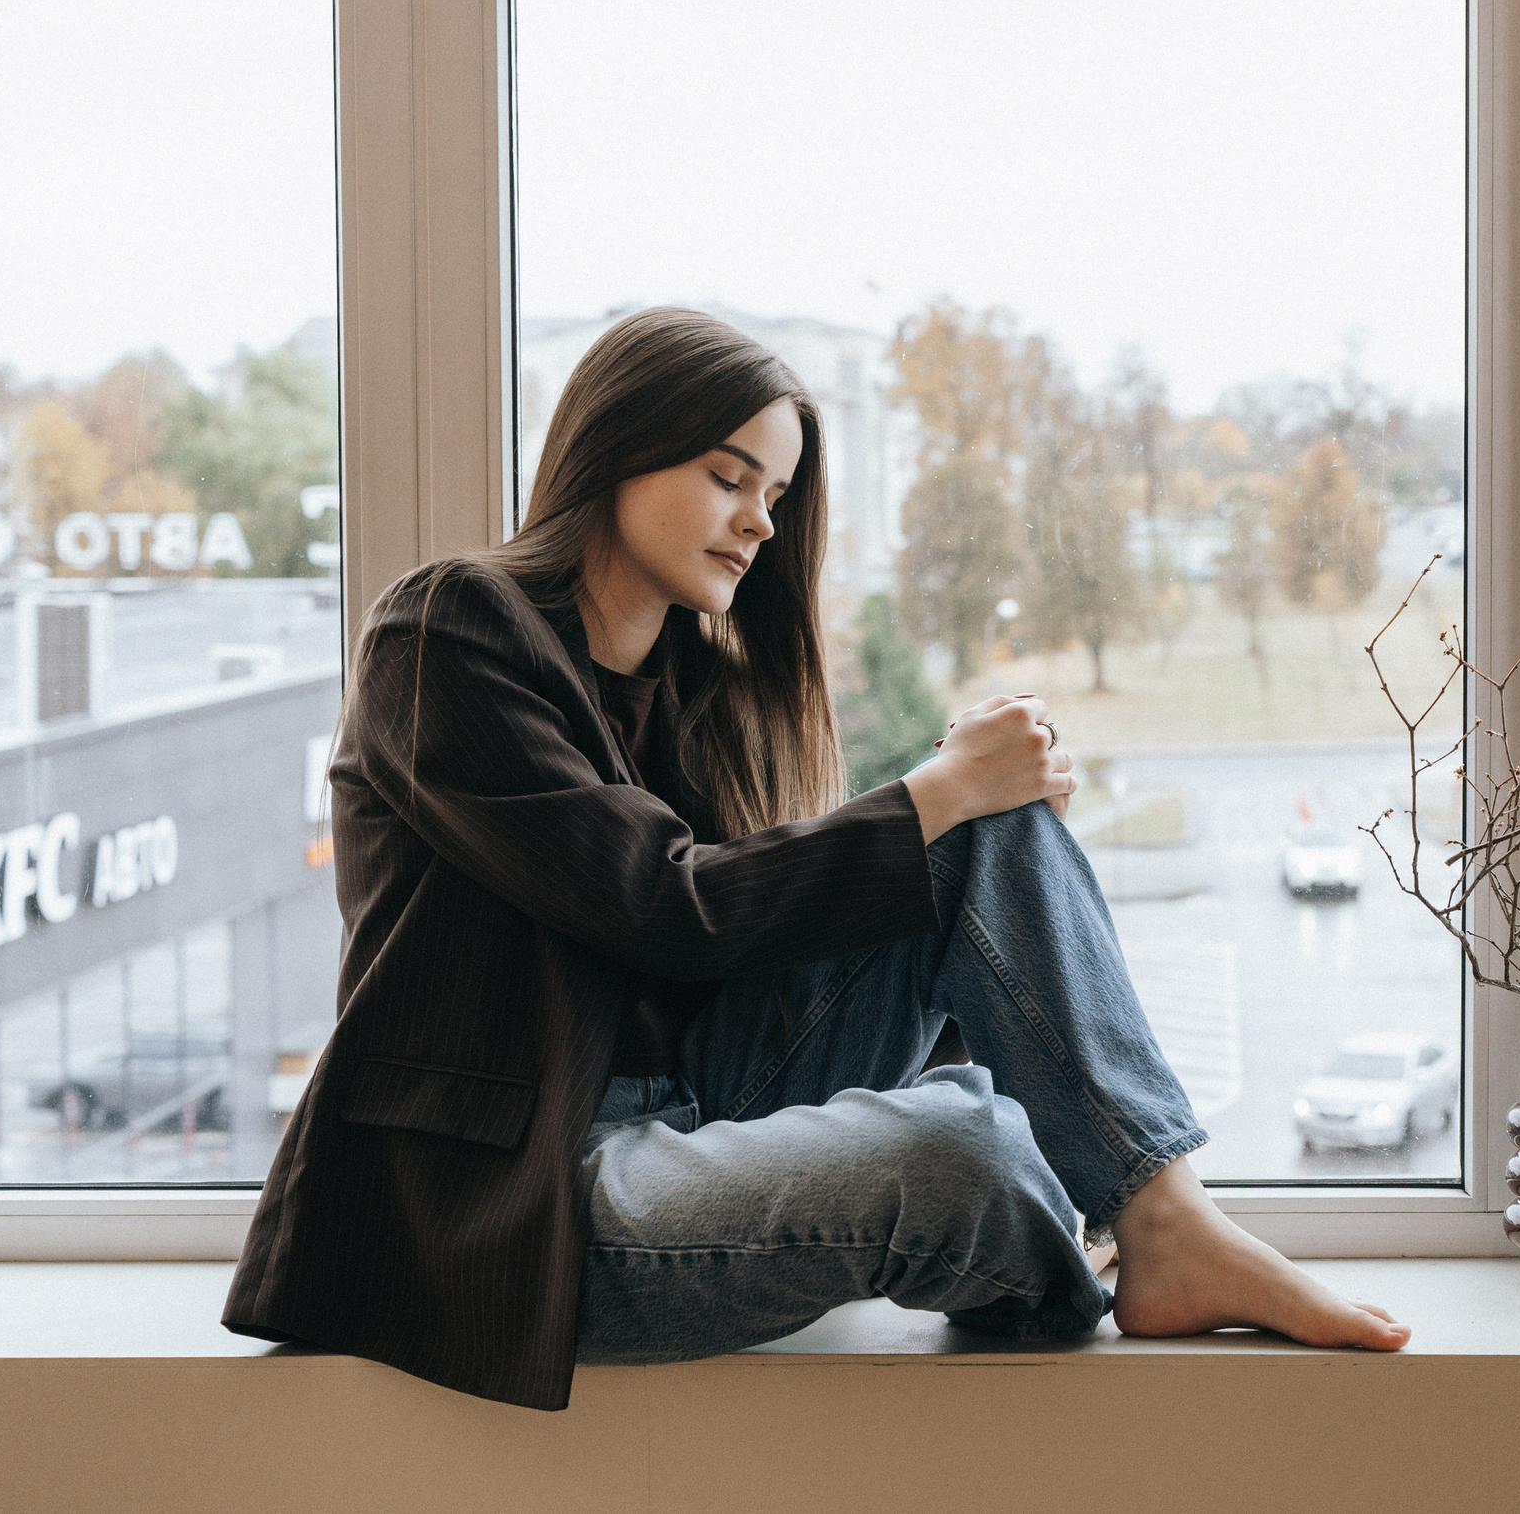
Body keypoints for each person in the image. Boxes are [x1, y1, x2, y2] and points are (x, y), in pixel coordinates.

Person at [223, 307, 1407, 1410]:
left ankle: (1164, 1220)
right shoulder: (446, 632)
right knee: (962, 1150)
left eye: (775, 493)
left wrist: (960, 802)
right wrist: (931, 794)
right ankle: (1072, 1261)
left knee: (982, 831)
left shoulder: (699, 694)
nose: (758, 520)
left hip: (705, 1104)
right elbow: (662, 908)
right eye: (727, 477)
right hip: (531, 1198)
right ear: (613, 453)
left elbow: (792, 927)